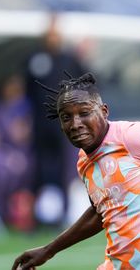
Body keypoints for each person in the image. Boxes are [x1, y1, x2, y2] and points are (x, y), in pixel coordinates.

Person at [12, 72, 140, 270]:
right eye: (66, 117)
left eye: (84, 113)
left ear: (104, 111)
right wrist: (48, 250)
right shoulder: (83, 162)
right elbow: (100, 212)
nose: (75, 124)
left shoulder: (132, 136)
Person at [24, 13, 88, 226]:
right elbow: (27, 91)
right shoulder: (34, 58)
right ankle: (37, 218)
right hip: (39, 126)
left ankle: (63, 216)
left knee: (64, 172)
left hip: (63, 126)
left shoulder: (70, 59)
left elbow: (86, 85)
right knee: (38, 172)